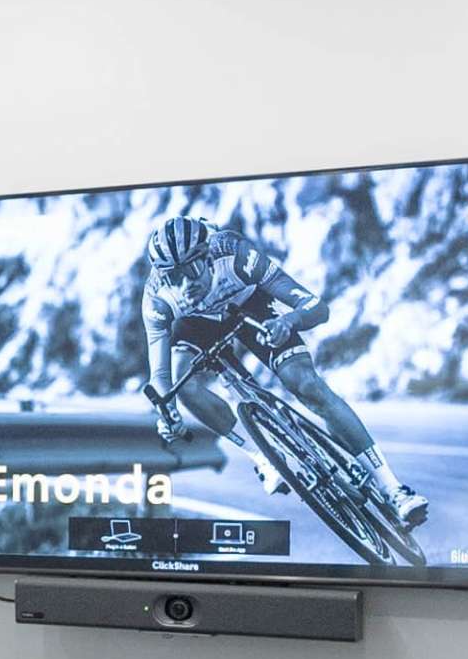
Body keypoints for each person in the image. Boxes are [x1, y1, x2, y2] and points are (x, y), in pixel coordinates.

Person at [137, 216, 426, 528]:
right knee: (185, 386)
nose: (184, 283)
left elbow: (317, 308)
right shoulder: (158, 298)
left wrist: (288, 321)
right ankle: (262, 458)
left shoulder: (234, 254)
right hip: (196, 326)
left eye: (191, 269)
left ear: (208, 256)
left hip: (250, 305)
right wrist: (167, 413)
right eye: (173, 276)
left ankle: (393, 489)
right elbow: (161, 378)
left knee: (305, 384)